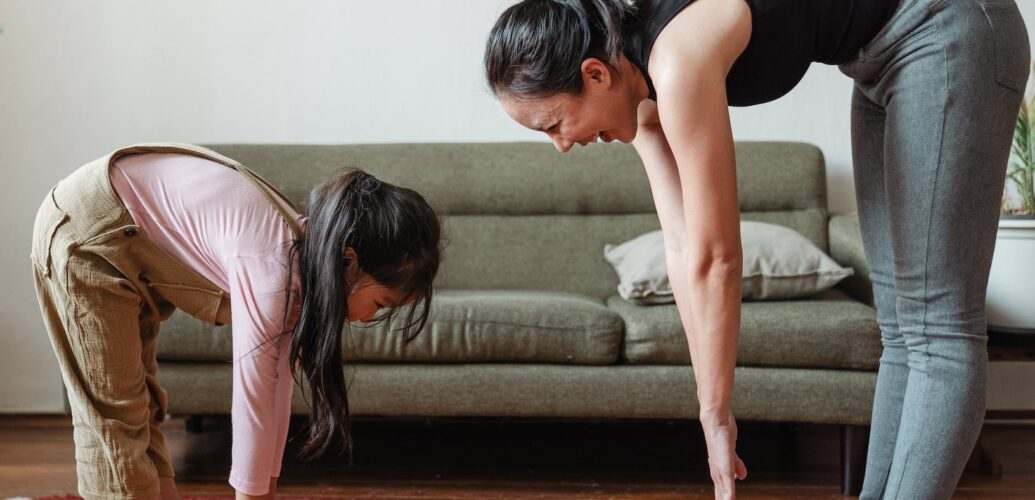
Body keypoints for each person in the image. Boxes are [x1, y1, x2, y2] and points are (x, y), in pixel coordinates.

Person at [484, 0, 1029, 498]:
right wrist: (707, 411)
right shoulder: (642, 90)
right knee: (903, 332)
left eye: (554, 124)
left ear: (595, 74)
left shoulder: (675, 59)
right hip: (877, 63)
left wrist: (719, 416)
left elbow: (719, 259)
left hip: (946, 27)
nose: (561, 145)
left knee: (937, 329)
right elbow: (684, 249)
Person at [30, 143, 442, 499]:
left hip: (123, 234)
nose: (372, 318)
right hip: (86, 232)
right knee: (114, 420)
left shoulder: (303, 264)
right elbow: (254, 403)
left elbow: (276, 394)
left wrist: (265, 487)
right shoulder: (273, 269)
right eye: (382, 304)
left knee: (142, 406)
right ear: (349, 260)